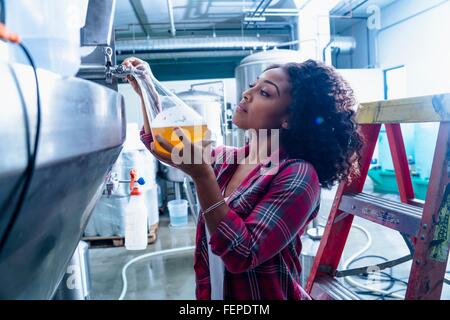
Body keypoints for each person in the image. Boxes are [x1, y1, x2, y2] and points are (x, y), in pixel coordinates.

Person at [123, 57, 363, 300]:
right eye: (253, 85)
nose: (247, 93)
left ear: (289, 117)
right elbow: (161, 142)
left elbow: (243, 253)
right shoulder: (228, 159)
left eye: (265, 93)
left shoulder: (298, 175)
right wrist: (146, 89)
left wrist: (203, 176)